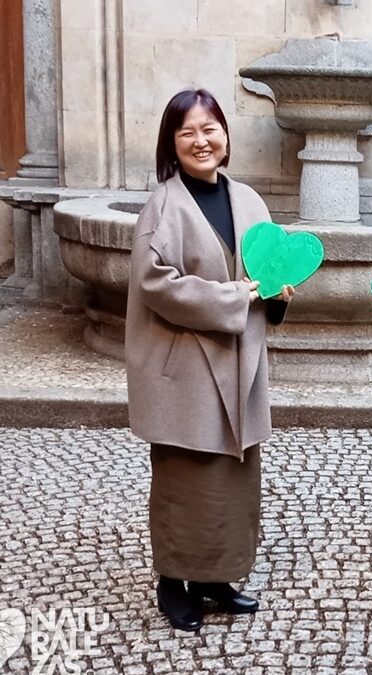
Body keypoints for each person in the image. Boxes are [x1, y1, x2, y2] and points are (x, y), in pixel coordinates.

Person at [125, 88, 294, 632]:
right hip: (184, 367)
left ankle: (217, 578)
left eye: (210, 128)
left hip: (238, 363)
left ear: (225, 135)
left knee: (232, 479)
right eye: (187, 132)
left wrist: (275, 294)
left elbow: (264, 275)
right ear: (171, 144)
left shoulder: (249, 200)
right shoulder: (163, 206)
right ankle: (175, 582)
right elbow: (156, 284)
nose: (202, 140)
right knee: (185, 477)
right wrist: (237, 297)